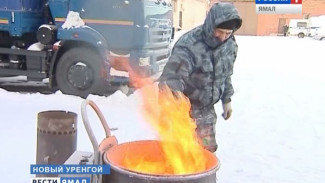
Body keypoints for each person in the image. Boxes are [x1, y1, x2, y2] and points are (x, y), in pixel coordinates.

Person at [158, 2, 242, 153]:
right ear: (211, 25)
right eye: (220, 32)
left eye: (228, 33)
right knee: (181, 156)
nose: (223, 37)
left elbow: (226, 74)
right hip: (184, 112)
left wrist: (227, 99)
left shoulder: (230, 45)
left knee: (205, 152)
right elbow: (172, 79)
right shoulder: (189, 45)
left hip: (207, 114)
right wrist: (173, 105)